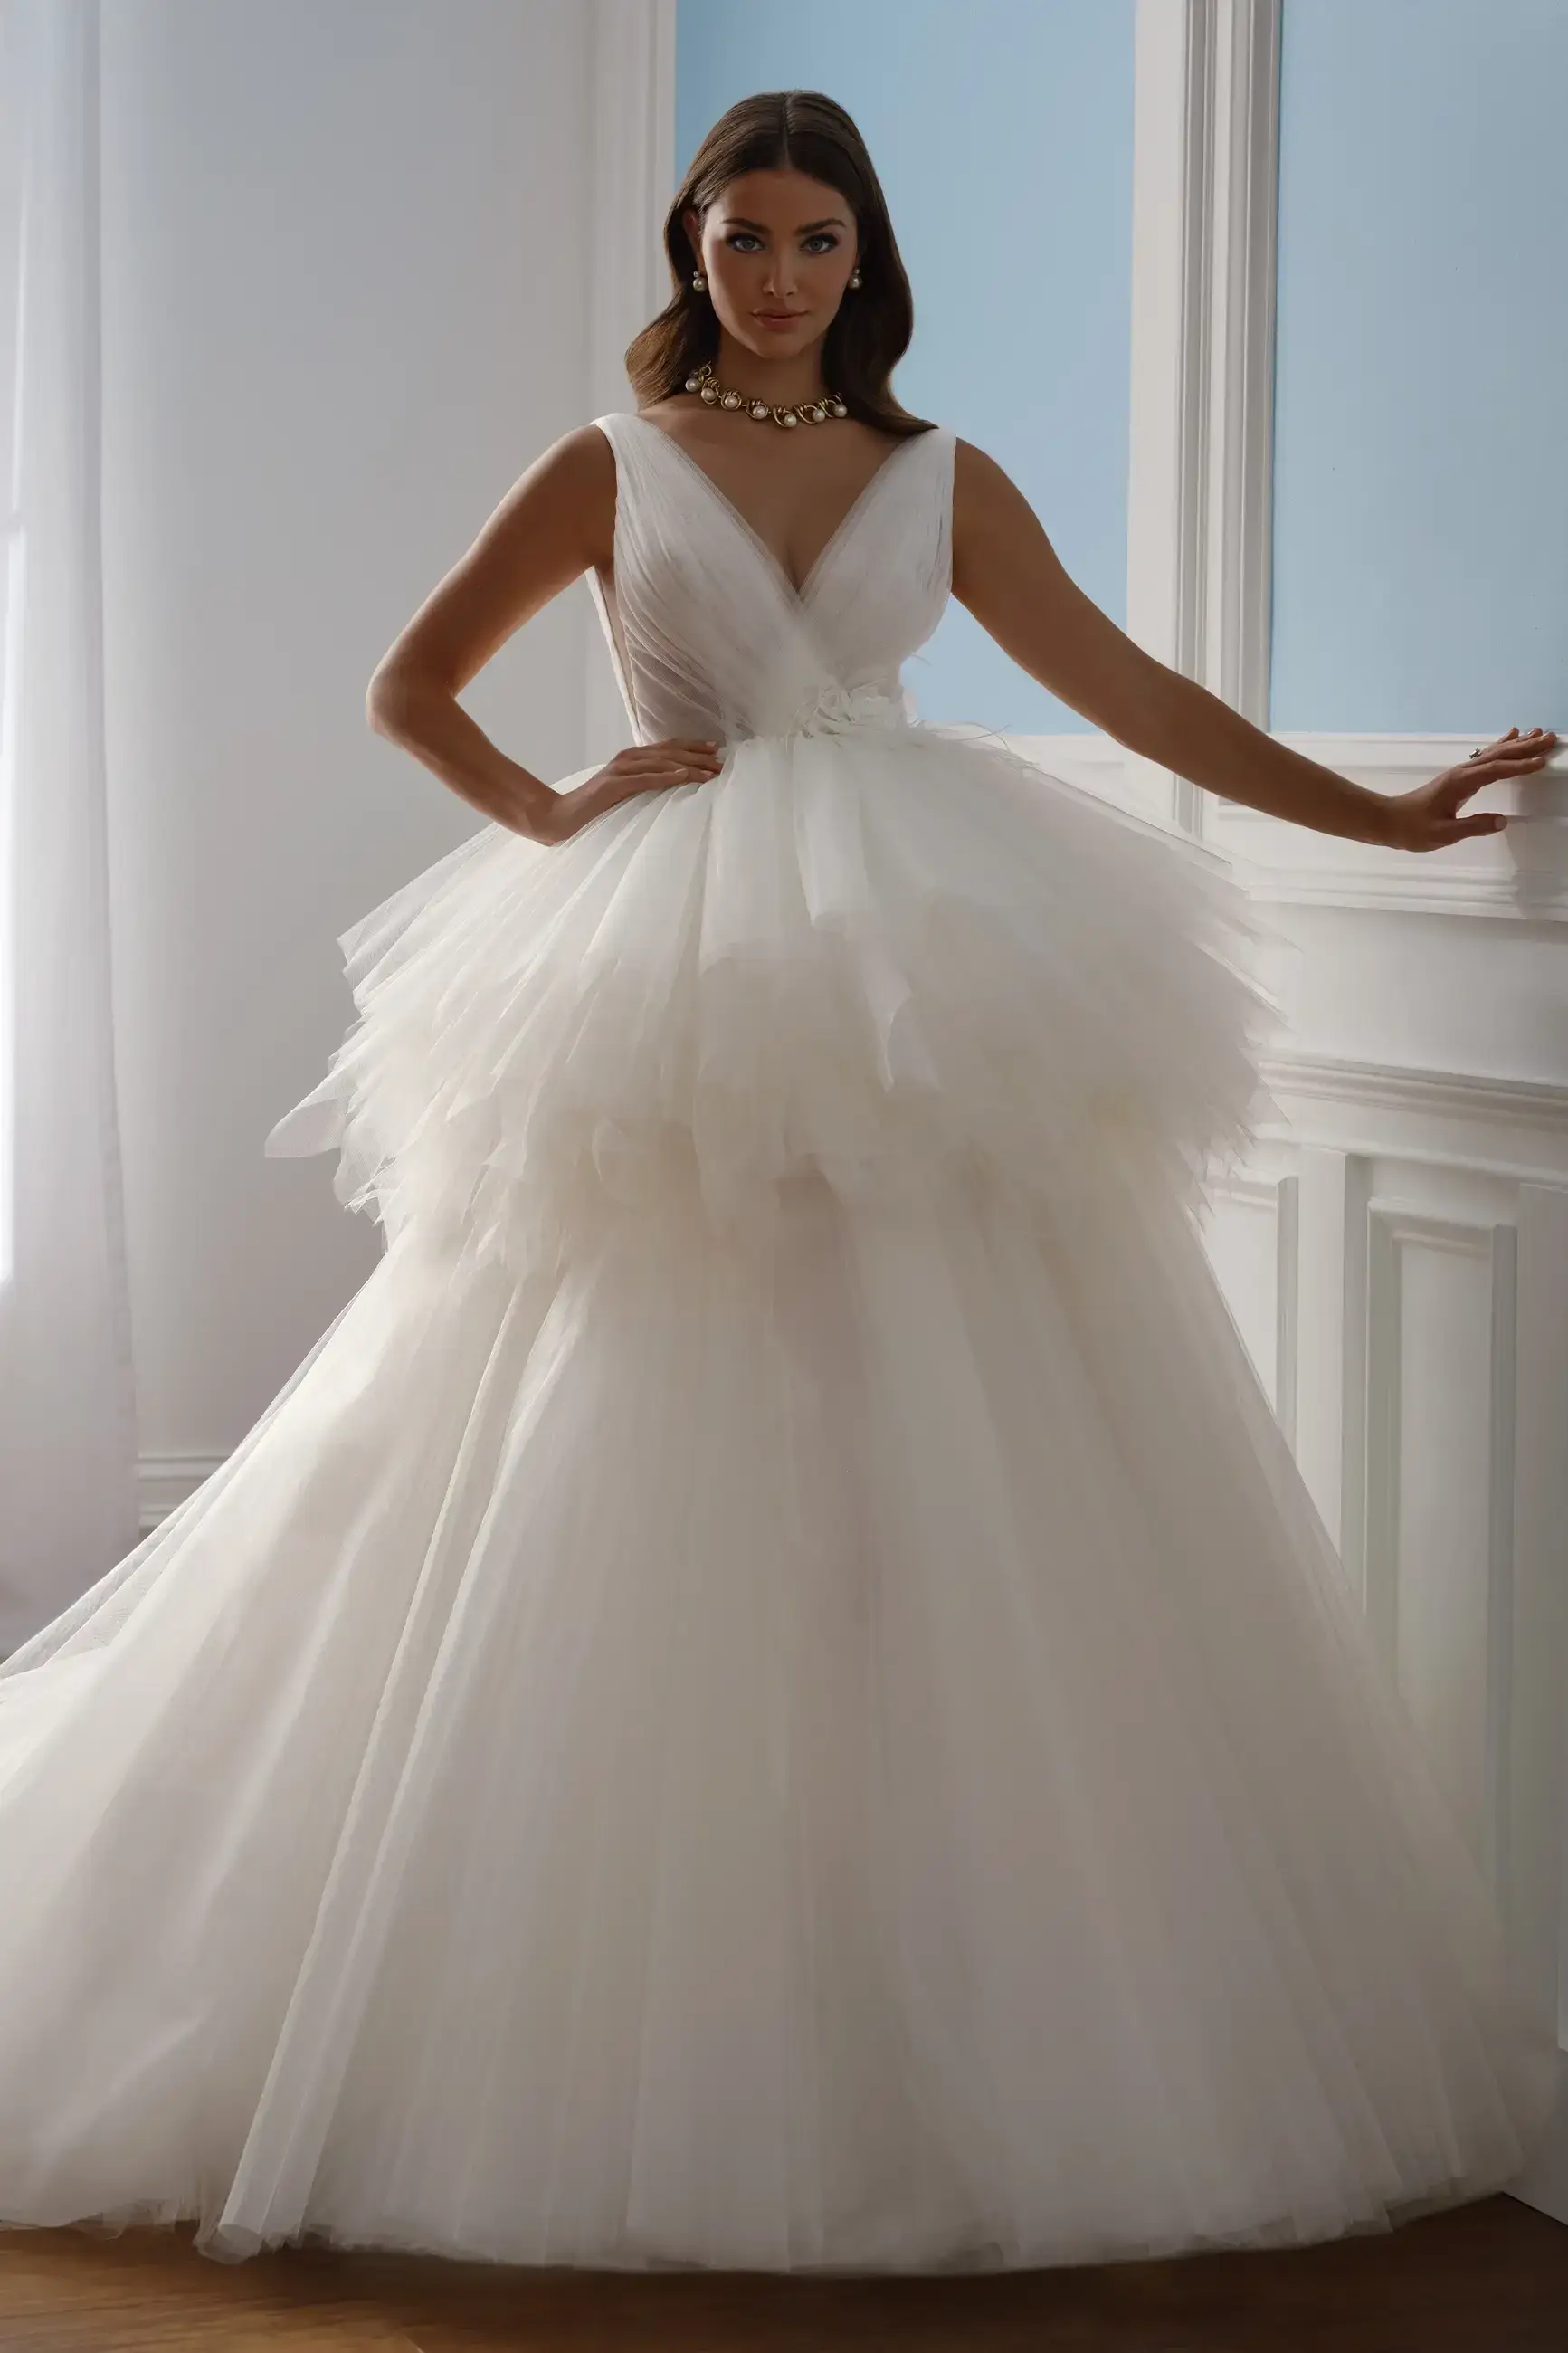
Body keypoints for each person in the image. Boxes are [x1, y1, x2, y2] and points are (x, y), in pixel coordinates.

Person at [0, 89, 1558, 2278]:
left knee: (923, 1460)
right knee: (617, 1413)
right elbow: (406, 685)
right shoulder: (608, 464)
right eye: (745, 233)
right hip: (672, 970)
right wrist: (551, 813)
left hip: (907, 974)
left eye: (818, 237)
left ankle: (915, 2000)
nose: (780, 272)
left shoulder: (941, 476)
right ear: (689, 241)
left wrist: (1378, 823)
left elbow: (1131, 692)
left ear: (864, 257)